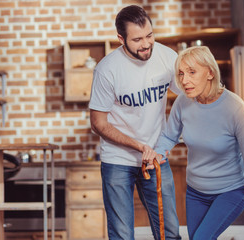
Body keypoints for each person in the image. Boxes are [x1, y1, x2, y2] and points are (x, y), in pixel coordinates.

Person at [142, 46, 244, 240]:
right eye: (181, 74)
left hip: (231, 191)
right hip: (195, 192)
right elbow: (168, 136)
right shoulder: (182, 102)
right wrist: (158, 152)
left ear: (210, 73)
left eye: (192, 72)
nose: (184, 80)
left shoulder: (234, 107)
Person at [89, 5, 181, 240]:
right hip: (117, 160)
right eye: (137, 39)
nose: (146, 44)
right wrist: (139, 146)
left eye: (149, 35)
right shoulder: (107, 70)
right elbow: (98, 123)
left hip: (157, 158)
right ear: (121, 39)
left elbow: (189, 96)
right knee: (121, 235)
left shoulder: (167, 57)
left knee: (169, 232)